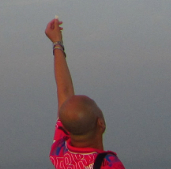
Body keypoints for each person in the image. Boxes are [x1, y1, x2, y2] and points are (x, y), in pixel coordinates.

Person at [45, 17, 125, 169]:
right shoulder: (108, 164)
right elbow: (66, 94)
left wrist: (57, 43)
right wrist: (57, 43)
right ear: (100, 123)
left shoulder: (61, 154)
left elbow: (64, 91)